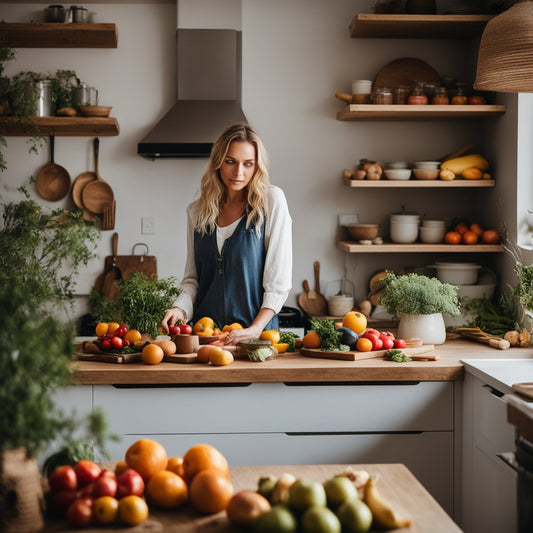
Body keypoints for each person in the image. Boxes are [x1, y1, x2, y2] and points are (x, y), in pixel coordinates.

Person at [161, 122, 292, 345]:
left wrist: (253, 330)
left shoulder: (271, 202)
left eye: (248, 164)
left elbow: (277, 284)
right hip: (207, 340)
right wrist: (179, 309)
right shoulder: (197, 211)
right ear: (218, 162)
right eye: (230, 161)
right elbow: (193, 280)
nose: (238, 172)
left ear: (257, 166)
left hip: (254, 342)